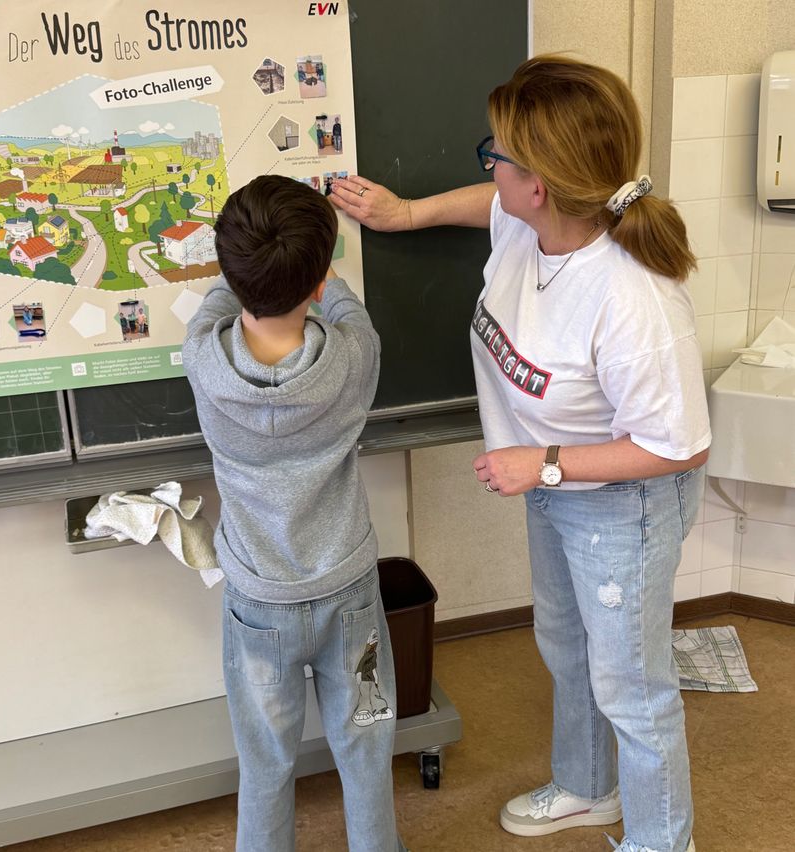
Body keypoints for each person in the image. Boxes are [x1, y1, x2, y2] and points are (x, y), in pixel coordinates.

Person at [332, 55, 710, 852]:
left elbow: (674, 446)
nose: (488, 162)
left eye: (496, 152)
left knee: (633, 689)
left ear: (539, 183)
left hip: (619, 503)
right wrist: (404, 214)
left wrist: (542, 465)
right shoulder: (531, 219)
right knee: (568, 649)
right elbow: (487, 206)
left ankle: (660, 842)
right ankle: (586, 787)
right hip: (556, 486)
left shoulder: (631, 299)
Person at [182, 175, 407, 852]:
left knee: (266, 760)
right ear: (317, 283)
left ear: (230, 272)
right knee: (367, 750)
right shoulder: (352, 358)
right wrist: (321, 267)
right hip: (349, 597)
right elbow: (354, 316)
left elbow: (218, 301)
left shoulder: (202, 357)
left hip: (258, 604)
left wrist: (258, 262)